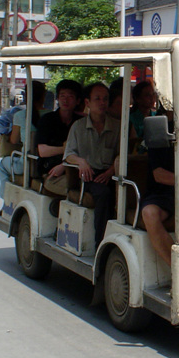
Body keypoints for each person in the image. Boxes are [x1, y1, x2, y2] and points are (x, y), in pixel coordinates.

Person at [63, 82, 120, 245]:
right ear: (87, 102)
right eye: (97, 99)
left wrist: (111, 170)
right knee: (104, 195)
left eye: (105, 99)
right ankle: (100, 243)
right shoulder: (78, 127)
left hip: (113, 174)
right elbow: (69, 154)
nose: (102, 103)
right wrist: (81, 162)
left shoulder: (117, 126)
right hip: (89, 177)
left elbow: (122, 154)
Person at [0, 81, 47, 207]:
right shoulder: (51, 115)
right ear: (44, 96)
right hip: (46, 163)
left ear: (26, 96)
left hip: (26, 164)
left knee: (2, 165)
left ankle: (6, 203)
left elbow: (14, 140)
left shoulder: (19, 115)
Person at [36, 79, 82, 197]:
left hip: (75, 170)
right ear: (57, 98)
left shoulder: (81, 122)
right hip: (51, 172)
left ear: (78, 101)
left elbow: (85, 149)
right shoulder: (47, 120)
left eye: (70, 96)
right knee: (79, 190)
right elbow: (43, 151)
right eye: (62, 96)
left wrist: (65, 163)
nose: (65, 100)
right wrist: (67, 149)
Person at [140, 139, 176, 267]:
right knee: (149, 213)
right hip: (163, 194)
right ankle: (178, 269)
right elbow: (159, 175)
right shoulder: (158, 135)